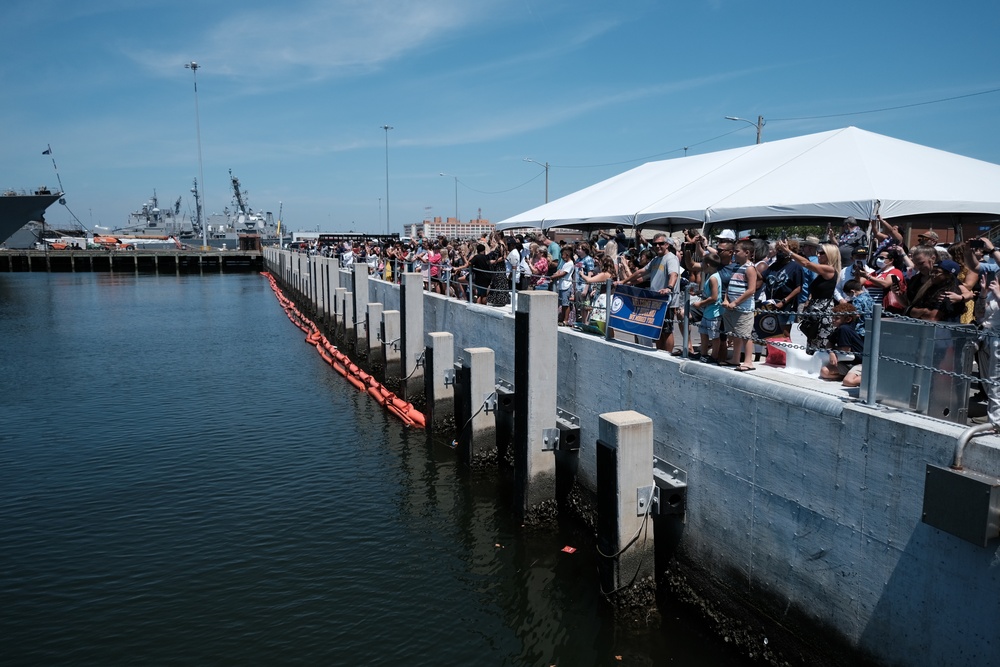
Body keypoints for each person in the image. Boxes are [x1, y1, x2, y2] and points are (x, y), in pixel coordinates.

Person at [617, 233, 678, 351]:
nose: (658, 246)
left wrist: (669, 288)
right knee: (658, 330)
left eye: (661, 243)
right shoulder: (656, 260)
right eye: (655, 244)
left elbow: (673, 274)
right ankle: (660, 353)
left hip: (666, 300)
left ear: (667, 245)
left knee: (667, 330)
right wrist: (623, 282)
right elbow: (641, 272)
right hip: (655, 299)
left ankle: (669, 356)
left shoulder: (671, 258)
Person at [779, 240, 841, 353]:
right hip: (815, 311)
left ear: (829, 255)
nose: (818, 255)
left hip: (823, 313)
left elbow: (807, 264)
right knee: (812, 342)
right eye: (819, 252)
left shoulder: (829, 270)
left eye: (822, 253)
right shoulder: (823, 272)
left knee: (820, 345)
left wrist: (788, 251)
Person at [721, 239, 758, 371]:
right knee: (735, 334)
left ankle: (748, 361)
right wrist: (726, 299)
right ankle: (735, 358)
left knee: (745, 335)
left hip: (744, 308)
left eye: (737, 251)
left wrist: (736, 302)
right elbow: (729, 286)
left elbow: (751, 290)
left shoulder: (750, 268)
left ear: (747, 252)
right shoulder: (736, 267)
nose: (734, 253)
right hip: (732, 307)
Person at [761, 240, 804, 335]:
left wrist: (783, 301)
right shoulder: (774, 266)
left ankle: (786, 350)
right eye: (778, 250)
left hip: (786, 306)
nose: (779, 253)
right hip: (771, 305)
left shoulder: (796, 267)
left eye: (782, 250)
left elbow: (798, 288)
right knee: (771, 334)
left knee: (784, 334)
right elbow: (763, 277)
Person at [820, 303, 864, 386]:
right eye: (833, 317)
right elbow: (829, 344)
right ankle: (846, 376)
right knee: (824, 372)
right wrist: (831, 352)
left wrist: (832, 351)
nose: (833, 320)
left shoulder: (844, 329)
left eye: (837, 318)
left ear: (848, 319)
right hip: (847, 362)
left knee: (848, 382)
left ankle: (877, 379)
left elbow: (845, 350)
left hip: (860, 362)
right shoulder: (838, 329)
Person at [693, 251, 724, 364]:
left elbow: (714, 297)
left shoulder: (713, 278)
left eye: (703, 263)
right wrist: (699, 292)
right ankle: (703, 353)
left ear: (708, 265)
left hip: (713, 313)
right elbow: (709, 292)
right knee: (703, 333)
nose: (701, 266)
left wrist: (699, 304)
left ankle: (714, 356)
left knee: (714, 336)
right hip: (707, 312)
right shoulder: (710, 276)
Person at [552, 247, 576, 325]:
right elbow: (560, 271)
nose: (562, 256)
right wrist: (555, 274)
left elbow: (563, 274)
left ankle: (566, 320)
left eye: (562, 255)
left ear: (567, 254)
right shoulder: (564, 263)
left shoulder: (570, 263)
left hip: (566, 286)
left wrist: (553, 277)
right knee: (562, 304)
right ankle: (561, 318)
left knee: (566, 304)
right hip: (561, 286)